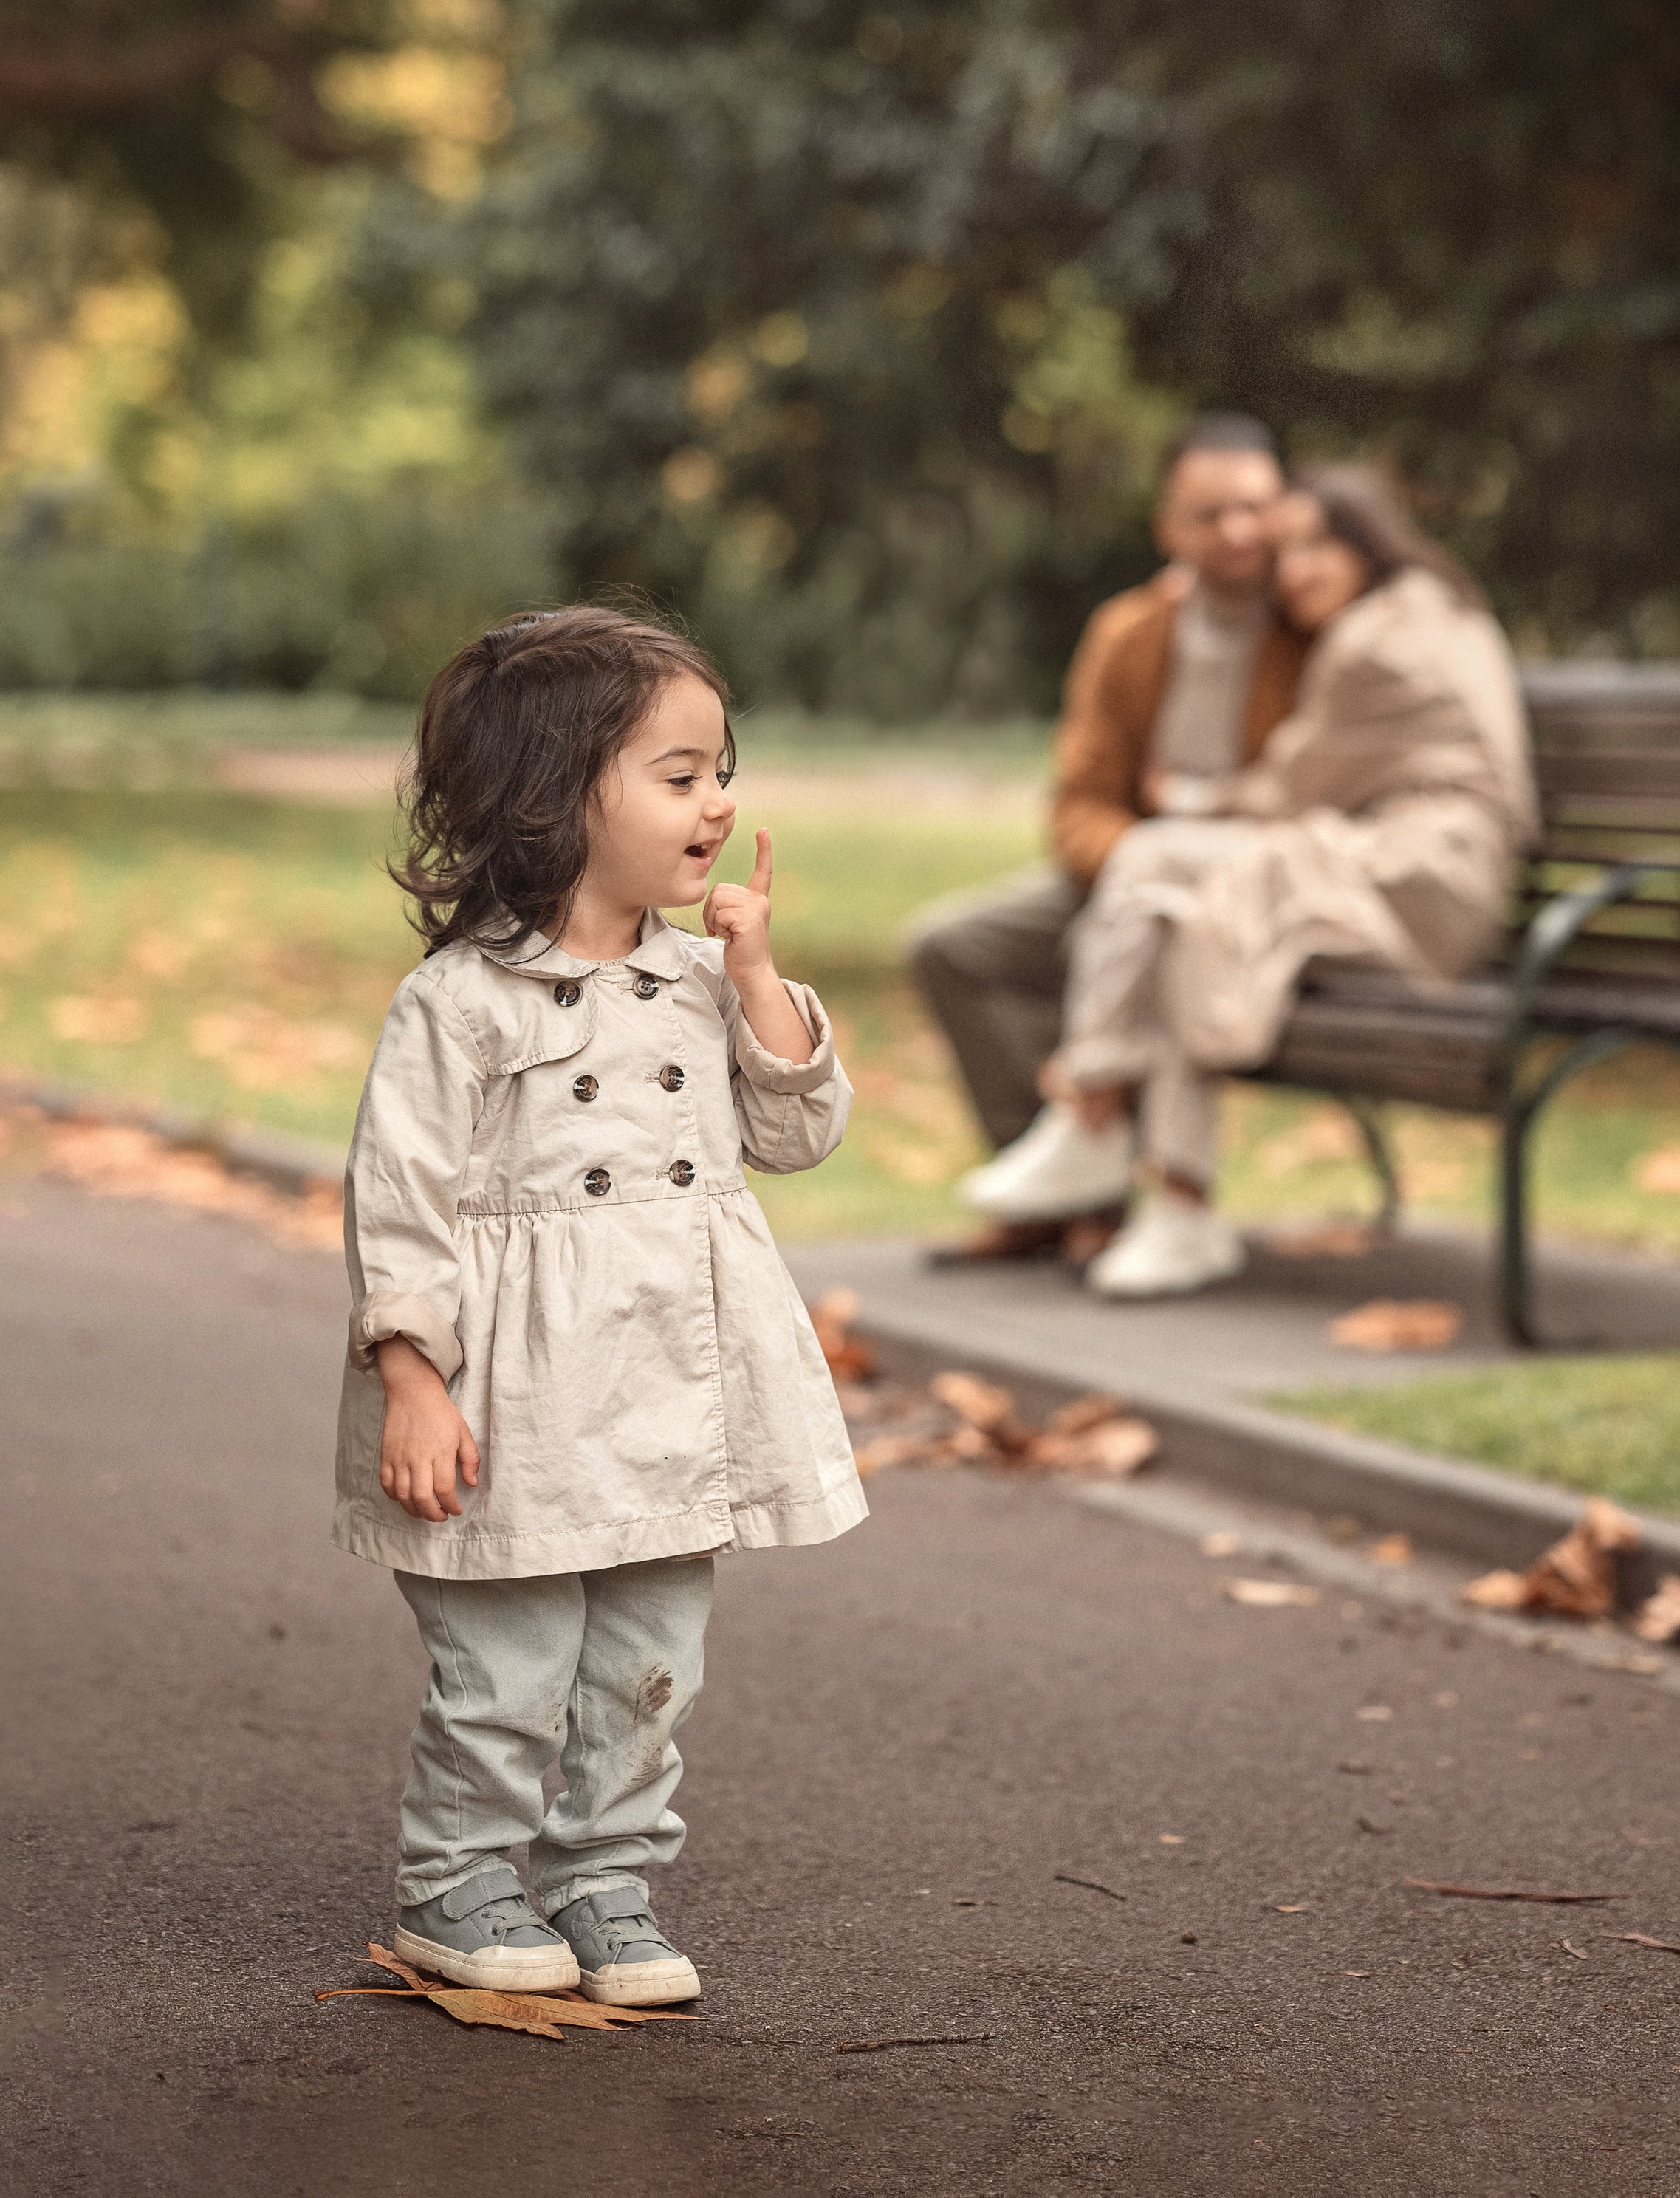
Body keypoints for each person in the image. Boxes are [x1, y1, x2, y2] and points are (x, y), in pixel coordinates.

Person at [332, 607, 864, 2006]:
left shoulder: (701, 983)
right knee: (508, 1662)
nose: (719, 801)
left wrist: (755, 973)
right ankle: (459, 1880)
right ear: (556, 797)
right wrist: (411, 1374)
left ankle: (603, 1877)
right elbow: (401, 1195)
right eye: (678, 774)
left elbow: (800, 1132)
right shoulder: (462, 1003)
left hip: (671, 1386)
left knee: (648, 1664)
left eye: (721, 768)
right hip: (512, 1389)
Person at [964, 466, 1537, 1296]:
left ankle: (1093, 1109)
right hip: (1399, 862)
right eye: (1285, 551)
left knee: (1159, 861)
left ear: (1364, 537)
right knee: (1176, 909)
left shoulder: (1378, 639)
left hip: (1424, 878)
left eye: (1313, 545)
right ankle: (1176, 1206)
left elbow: (1291, 788)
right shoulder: (1419, 606)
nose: (1292, 570)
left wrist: (1186, 795)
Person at [908, 413, 1309, 1258]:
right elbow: (1078, 802)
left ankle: (1097, 1190)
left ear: (1285, 508)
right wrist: (1125, 857)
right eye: (1209, 513)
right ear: (1169, 527)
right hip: (1126, 861)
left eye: (1254, 506)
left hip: (1250, 883)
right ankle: (1058, 1188)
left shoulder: (1312, 624)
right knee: (951, 946)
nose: (1237, 530)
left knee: (1131, 928)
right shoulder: (1130, 634)